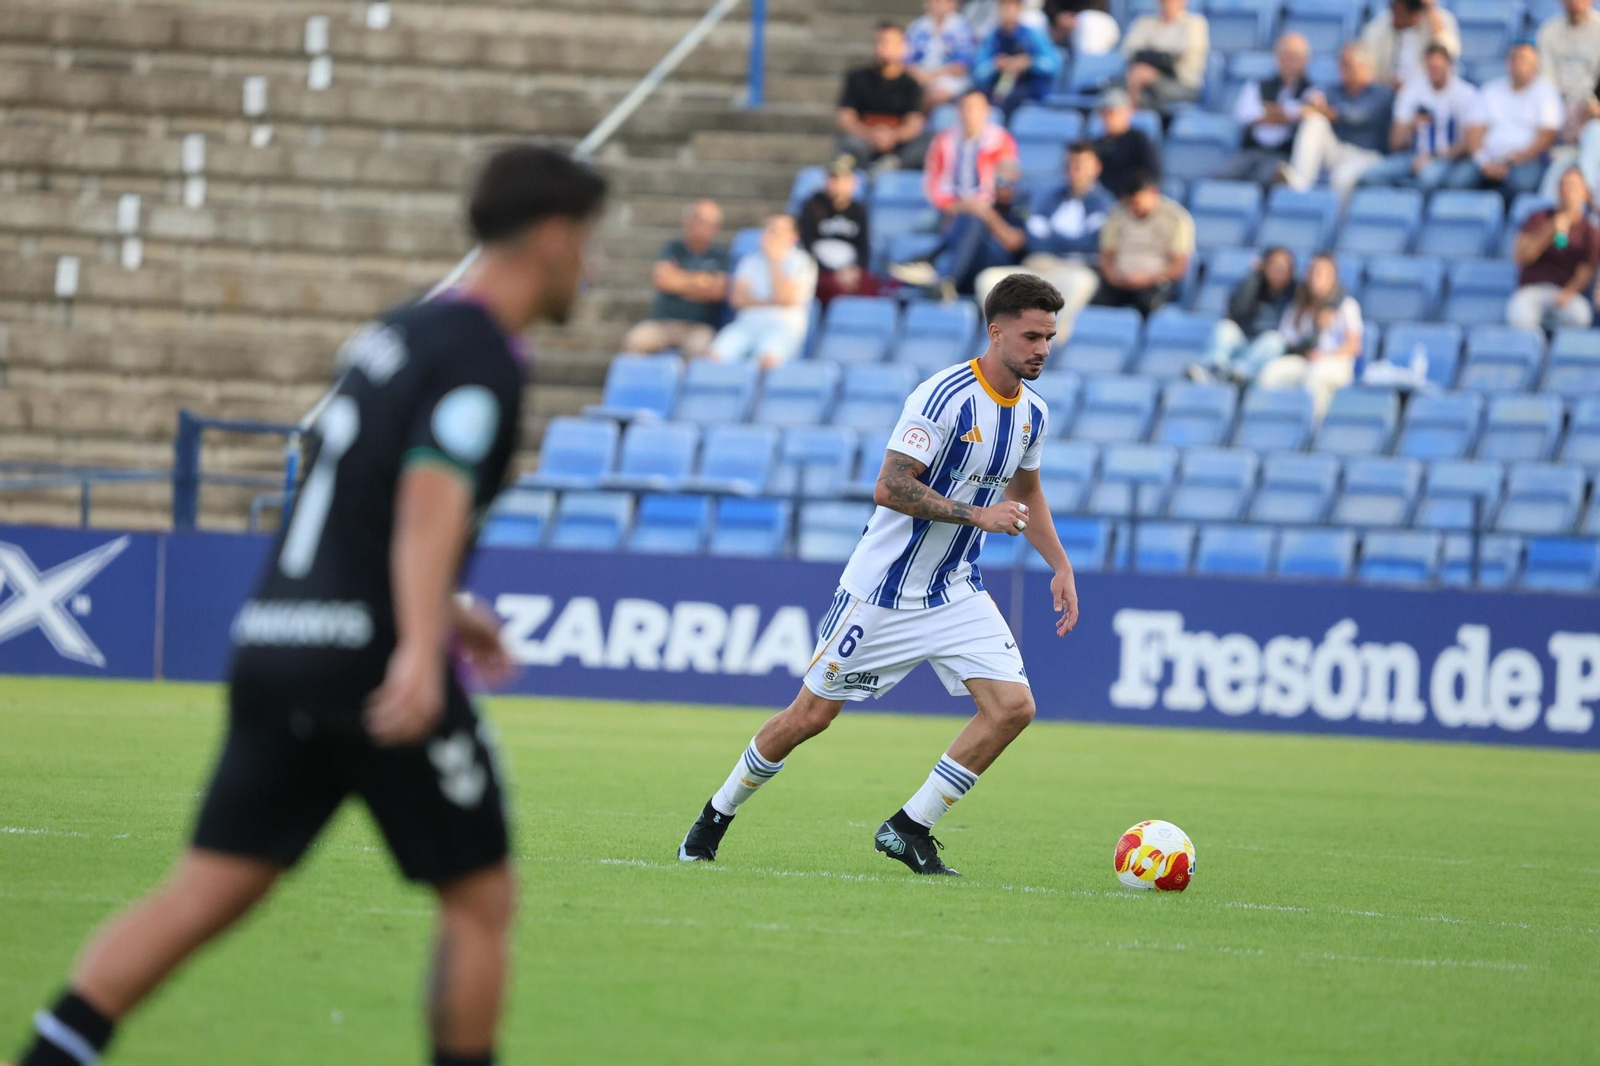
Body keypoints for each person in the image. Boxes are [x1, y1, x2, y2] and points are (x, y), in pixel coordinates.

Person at [7, 145, 607, 1066]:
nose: (591, 267)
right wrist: (418, 646)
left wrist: (447, 607)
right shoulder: (485, 353)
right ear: (555, 236)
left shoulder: (397, 332)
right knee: (481, 900)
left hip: (277, 639)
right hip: (368, 660)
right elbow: (425, 498)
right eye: (590, 243)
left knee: (205, 891)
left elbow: (357, 501)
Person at [675, 273, 1081, 877]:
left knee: (1013, 708)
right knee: (809, 718)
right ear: (995, 333)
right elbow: (889, 486)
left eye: (1049, 337)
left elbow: (1029, 492)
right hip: (882, 593)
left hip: (954, 590)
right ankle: (714, 815)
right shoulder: (942, 397)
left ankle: (909, 827)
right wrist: (978, 514)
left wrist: (1061, 566)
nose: (1042, 349)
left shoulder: (1034, 414)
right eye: (1031, 336)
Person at [975, 140, 1114, 313]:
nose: (1074, 171)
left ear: (1096, 167)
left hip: (1074, 269)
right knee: (988, 280)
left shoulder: (1104, 204)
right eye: (1069, 165)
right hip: (1038, 266)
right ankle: (1004, 339)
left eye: (1081, 165)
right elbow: (1033, 240)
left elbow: (1089, 244)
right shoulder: (1047, 198)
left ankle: (1053, 339)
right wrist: (1066, 242)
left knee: (1080, 283)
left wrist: (1050, 237)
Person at [893, 159, 1030, 296]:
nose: (1003, 187)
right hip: (969, 267)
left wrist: (987, 215)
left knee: (974, 221)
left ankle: (940, 272)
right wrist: (961, 208)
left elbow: (1015, 243)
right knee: (968, 218)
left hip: (1000, 268)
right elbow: (947, 229)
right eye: (999, 181)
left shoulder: (1021, 208)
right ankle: (935, 271)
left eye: (1009, 183)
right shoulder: (989, 206)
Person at [1361, 42, 1483, 192]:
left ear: (1449, 65)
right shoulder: (1412, 91)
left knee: (1427, 179)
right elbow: (1395, 143)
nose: (1434, 72)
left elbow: (1468, 143)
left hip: (1446, 157)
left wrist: (1433, 157)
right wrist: (1411, 124)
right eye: (1431, 68)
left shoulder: (1465, 94)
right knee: (1371, 176)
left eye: (1438, 67)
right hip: (1413, 155)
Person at [1280, 42, 1396, 200]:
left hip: (1367, 155)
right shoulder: (1335, 89)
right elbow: (1311, 101)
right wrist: (1312, 102)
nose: (1342, 69)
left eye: (1347, 64)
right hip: (1338, 151)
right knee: (1315, 121)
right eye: (1341, 63)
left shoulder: (1381, 93)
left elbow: (1356, 116)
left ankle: (1335, 222)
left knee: (1341, 178)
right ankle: (1299, 186)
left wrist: (1323, 109)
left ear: (1364, 67)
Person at [1256, 253, 1365, 420]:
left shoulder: (1347, 305)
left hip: (1335, 361)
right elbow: (1287, 340)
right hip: (1305, 359)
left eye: (1320, 273)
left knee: (1316, 377)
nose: (1315, 277)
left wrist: (1327, 355)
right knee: (1271, 373)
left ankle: (1310, 428)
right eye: (1312, 272)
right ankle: (1269, 421)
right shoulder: (1299, 305)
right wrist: (1309, 341)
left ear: (1332, 277)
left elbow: (1354, 346)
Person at [1450, 41, 1563, 197]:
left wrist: (1515, 159)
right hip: (1487, 158)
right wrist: (1484, 162)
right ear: (1508, 63)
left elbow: (1547, 136)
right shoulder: (1490, 90)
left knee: (1522, 184)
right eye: (1515, 59)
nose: (1520, 64)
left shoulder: (1546, 93)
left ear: (1536, 65)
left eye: (1525, 60)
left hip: (1525, 160)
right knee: (1456, 182)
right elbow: (1474, 130)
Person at [623, 199, 728, 359]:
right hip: (662, 324)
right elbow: (663, 280)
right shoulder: (673, 248)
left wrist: (679, 280)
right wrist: (700, 282)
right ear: (688, 221)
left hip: (698, 327)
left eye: (712, 223)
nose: (706, 227)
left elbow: (717, 292)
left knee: (701, 350)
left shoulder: (720, 255)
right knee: (636, 341)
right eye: (701, 221)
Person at [709, 215, 818, 369]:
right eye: (769, 230)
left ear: (793, 237)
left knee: (767, 361)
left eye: (778, 231)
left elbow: (784, 297)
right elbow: (737, 300)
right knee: (714, 357)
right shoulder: (749, 261)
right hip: (746, 325)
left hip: (783, 326)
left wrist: (774, 261)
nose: (772, 235)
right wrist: (772, 302)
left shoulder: (802, 261)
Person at [1214, 32, 1314, 185]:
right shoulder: (1258, 85)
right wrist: (1286, 115)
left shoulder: (1312, 90)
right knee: (1222, 177)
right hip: (1251, 150)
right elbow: (1245, 115)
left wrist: (1272, 114)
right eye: (1286, 55)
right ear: (1277, 57)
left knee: (1267, 178)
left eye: (1296, 57)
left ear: (1305, 61)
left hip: (1284, 154)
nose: (1290, 62)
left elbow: (1309, 114)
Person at [1091, 171, 1194, 316]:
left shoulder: (1176, 218)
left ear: (1153, 193)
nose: (1133, 209)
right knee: (1095, 303)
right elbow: (1106, 255)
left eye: (1137, 203)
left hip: (1155, 282)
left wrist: (1148, 278)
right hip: (1119, 282)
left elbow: (1179, 265)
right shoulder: (1116, 214)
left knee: (1148, 304)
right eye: (1129, 204)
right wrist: (1115, 278)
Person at [1508, 167, 1599, 331]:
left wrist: (1568, 292)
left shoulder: (1589, 231)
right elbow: (1521, 256)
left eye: (1572, 186)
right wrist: (1550, 230)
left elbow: (1586, 269)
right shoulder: (1538, 218)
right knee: (1520, 317)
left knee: (1580, 316)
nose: (1567, 191)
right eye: (1563, 185)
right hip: (1532, 290)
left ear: (1585, 193)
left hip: (1564, 294)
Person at [1191, 246, 1299, 383]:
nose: (1278, 271)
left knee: (1275, 341)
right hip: (1242, 339)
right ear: (1264, 266)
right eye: (1274, 265)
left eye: (1283, 267)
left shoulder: (1297, 293)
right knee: (1226, 328)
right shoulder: (1252, 284)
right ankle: (1211, 368)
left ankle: (1238, 374)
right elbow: (1237, 310)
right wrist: (1253, 277)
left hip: (1265, 348)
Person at [837, 22, 931, 171]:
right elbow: (846, 118)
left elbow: (914, 124)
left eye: (890, 42)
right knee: (850, 143)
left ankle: (890, 166)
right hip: (864, 141)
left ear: (903, 47)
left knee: (930, 140)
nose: (884, 47)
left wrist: (893, 136)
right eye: (881, 41)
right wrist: (871, 135)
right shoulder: (858, 78)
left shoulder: (912, 84)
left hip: (898, 147)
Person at [1536, 0, 1600, 200]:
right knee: (1555, 177)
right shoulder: (1549, 31)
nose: (1575, 3)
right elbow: (1546, 85)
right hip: (1559, 115)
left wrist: (1591, 108)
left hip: (1592, 116)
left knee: (1594, 133)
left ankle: (1582, 197)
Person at [796, 155, 879, 305]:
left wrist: (855, 269)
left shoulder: (858, 211)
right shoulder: (812, 207)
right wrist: (833, 272)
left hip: (850, 270)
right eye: (832, 178)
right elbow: (806, 244)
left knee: (868, 287)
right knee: (831, 288)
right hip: (821, 270)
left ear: (852, 182)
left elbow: (863, 246)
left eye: (840, 179)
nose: (835, 183)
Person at [922, 87, 1020, 212]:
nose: (970, 113)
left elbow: (1006, 182)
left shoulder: (1001, 140)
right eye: (966, 107)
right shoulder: (943, 140)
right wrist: (949, 205)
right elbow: (932, 180)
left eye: (976, 108)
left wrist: (981, 203)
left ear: (986, 111)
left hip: (987, 210)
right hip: (948, 208)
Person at [973, 0, 1062, 116]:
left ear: (1020, 9)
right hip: (996, 87)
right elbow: (977, 73)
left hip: (1028, 88)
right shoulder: (992, 38)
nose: (1008, 11)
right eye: (1004, 7)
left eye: (1012, 7)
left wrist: (1029, 62)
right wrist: (995, 65)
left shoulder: (1033, 35)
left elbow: (1053, 65)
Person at [1121, 0, 1209, 115]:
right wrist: (1156, 58)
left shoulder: (1194, 22)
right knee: (1117, 91)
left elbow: (1177, 55)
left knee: (1140, 87)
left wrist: (1150, 59)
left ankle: (1135, 123)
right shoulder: (1145, 21)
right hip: (1144, 81)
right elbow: (1129, 50)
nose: (1167, 3)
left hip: (1182, 84)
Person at [1360, 0, 1460, 89]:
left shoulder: (1441, 19)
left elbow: (1450, 51)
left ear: (1415, 13)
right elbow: (1363, 59)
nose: (1395, 12)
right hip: (1387, 91)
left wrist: (1430, 9)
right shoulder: (1382, 24)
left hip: (1426, 92)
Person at [907, 0, 979, 109]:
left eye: (939, 2)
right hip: (920, 76)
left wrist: (931, 76)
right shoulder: (917, 26)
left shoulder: (962, 27)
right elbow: (906, 60)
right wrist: (919, 75)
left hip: (950, 79)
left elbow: (961, 66)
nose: (934, 4)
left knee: (935, 95)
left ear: (952, 4)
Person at [1094, 87, 1162, 198]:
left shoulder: (1138, 140)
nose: (1107, 118)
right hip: (1103, 201)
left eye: (1112, 112)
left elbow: (1152, 174)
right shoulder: (1097, 144)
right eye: (1103, 113)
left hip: (1131, 200)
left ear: (1126, 112)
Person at [1044, 0, 1120, 54]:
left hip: (1088, 22)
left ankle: (1084, 72)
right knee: (1034, 18)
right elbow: (1049, 5)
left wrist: (1074, 19)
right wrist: (1058, 17)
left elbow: (1098, 6)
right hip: (1055, 24)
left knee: (1089, 21)